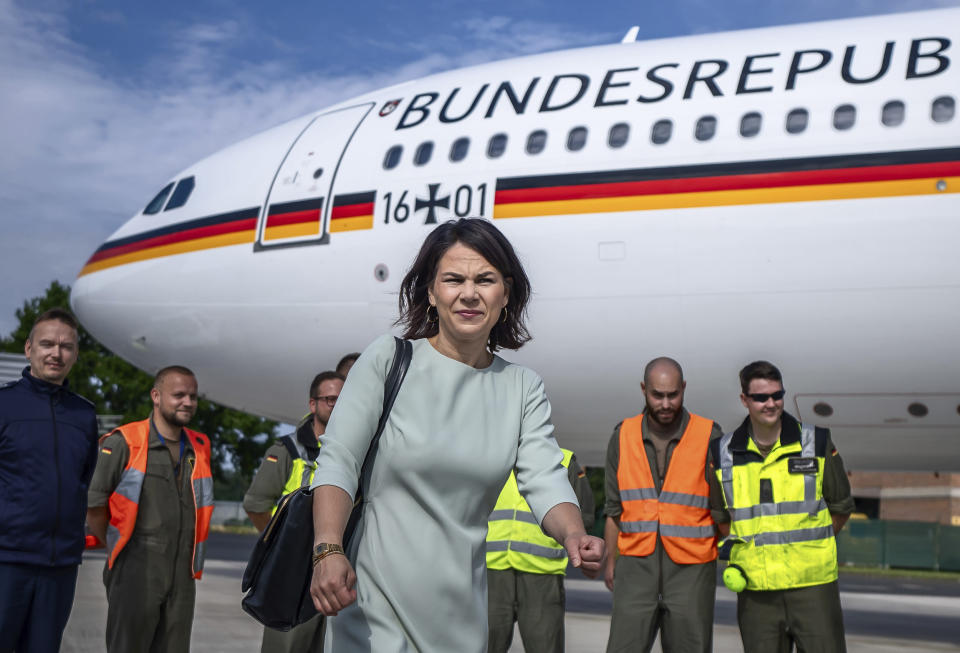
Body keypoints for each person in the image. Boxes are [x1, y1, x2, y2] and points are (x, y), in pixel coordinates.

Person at [308, 217, 605, 653]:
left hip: (461, 611)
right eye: (453, 279)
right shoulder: (388, 359)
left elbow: (544, 477)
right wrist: (327, 549)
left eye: (485, 280)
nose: (469, 293)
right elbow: (339, 460)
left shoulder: (522, 387)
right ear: (431, 291)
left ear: (506, 293)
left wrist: (574, 535)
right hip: (371, 602)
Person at [709, 360, 854, 653]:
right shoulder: (722, 453)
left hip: (813, 587)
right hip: (756, 593)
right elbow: (722, 518)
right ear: (744, 400)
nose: (771, 403)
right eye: (761, 397)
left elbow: (841, 505)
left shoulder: (817, 442)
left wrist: (810, 547)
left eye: (777, 395)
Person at [86, 366, 214, 653]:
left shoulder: (199, 447)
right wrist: (118, 547)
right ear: (156, 396)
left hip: (183, 573)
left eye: (193, 396)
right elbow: (94, 506)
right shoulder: (124, 442)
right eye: (179, 395)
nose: (188, 402)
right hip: (135, 569)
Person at [603, 357, 723, 653]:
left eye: (673, 394)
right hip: (635, 570)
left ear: (683, 388)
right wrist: (611, 562)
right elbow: (614, 511)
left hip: (692, 573)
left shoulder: (710, 436)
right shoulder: (622, 436)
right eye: (658, 395)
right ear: (644, 389)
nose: (666, 403)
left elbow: (722, 511)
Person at [0, 308, 99, 652]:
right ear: (29, 349)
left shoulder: (84, 415)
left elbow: (83, 477)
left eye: (66, 346)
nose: (56, 353)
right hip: (7, 561)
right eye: (47, 344)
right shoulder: (4, 405)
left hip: (60, 566)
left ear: (74, 354)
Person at [243, 370, 344, 653]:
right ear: (313, 405)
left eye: (343, 399)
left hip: (338, 570)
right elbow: (255, 504)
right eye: (330, 399)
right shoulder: (288, 450)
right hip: (295, 573)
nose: (337, 405)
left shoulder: (355, 451)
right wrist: (282, 546)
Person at [486, 447, 595, 653]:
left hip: (543, 575)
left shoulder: (564, 461)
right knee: (480, 646)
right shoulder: (487, 455)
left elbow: (585, 516)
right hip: (491, 572)